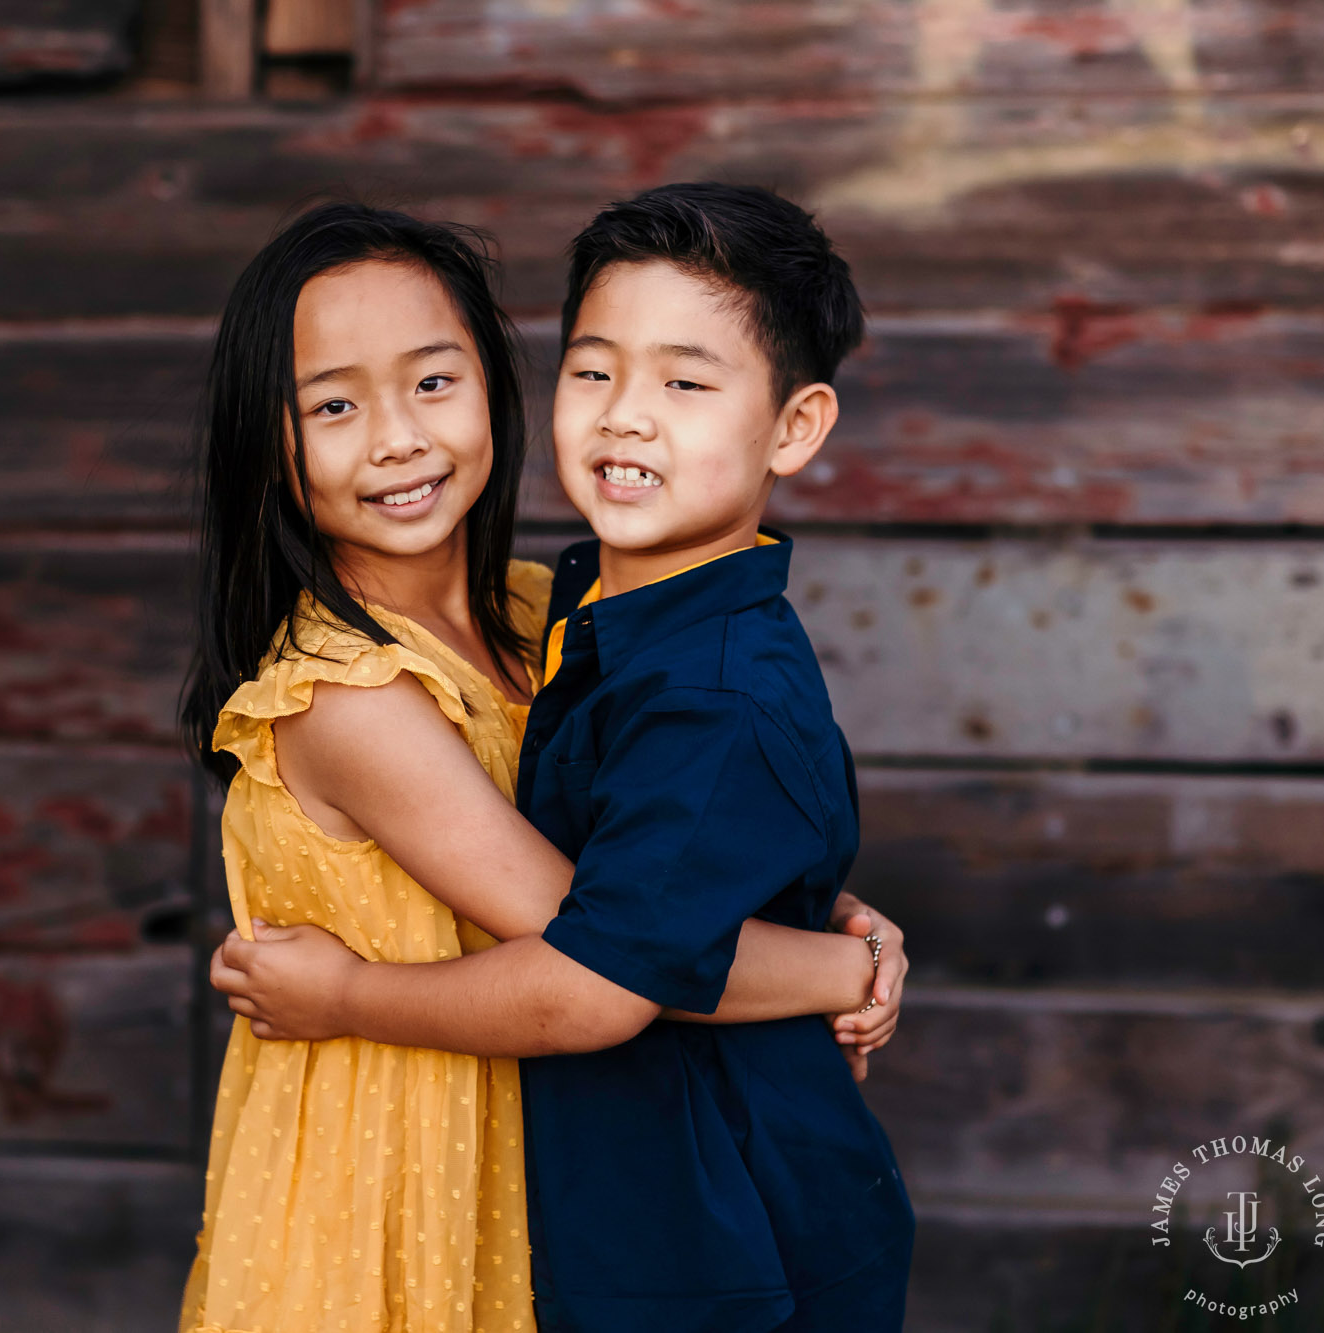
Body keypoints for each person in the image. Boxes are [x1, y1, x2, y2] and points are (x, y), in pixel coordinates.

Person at [177, 201, 906, 1333]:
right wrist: (834, 965)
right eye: (331, 405)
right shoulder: (349, 696)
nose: (396, 440)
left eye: (432, 383)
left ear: (493, 382)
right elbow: (599, 942)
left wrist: (802, 894)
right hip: (394, 1168)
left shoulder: (548, 613)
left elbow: (658, 866)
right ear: (262, 439)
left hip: (560, 1158)